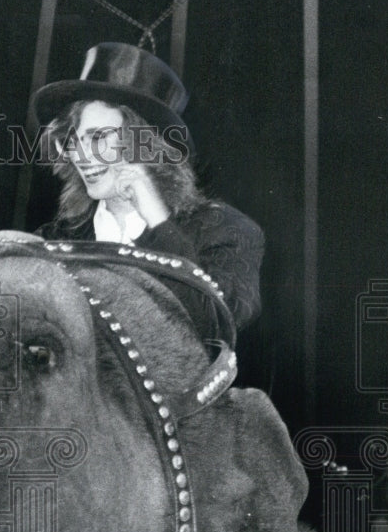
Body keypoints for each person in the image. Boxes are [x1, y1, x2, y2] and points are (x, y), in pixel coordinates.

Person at [29, 42, 264, 333]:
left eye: (99, 137)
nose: (81, 155)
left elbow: (212, 328)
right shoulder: (56, 238)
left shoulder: (226, 231)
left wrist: (157, 222)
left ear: (146, 143)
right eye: (72, 140)